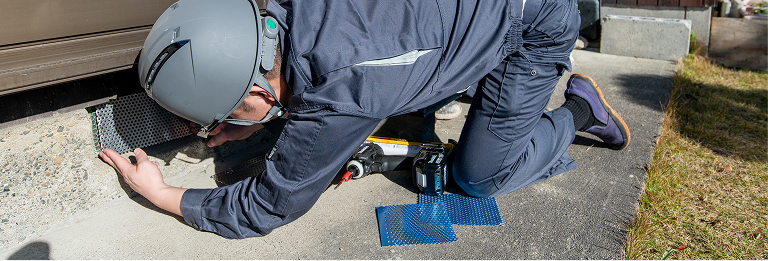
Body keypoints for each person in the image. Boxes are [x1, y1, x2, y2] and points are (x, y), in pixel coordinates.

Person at [99, 0, 630, 239]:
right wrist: (255, 116)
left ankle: (582, 109)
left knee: (478, 175)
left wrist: (163, 194)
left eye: (226, 114)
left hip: (532, 27)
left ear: (258, 88)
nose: (220, 129)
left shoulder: (343, 91)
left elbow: (265, 206)